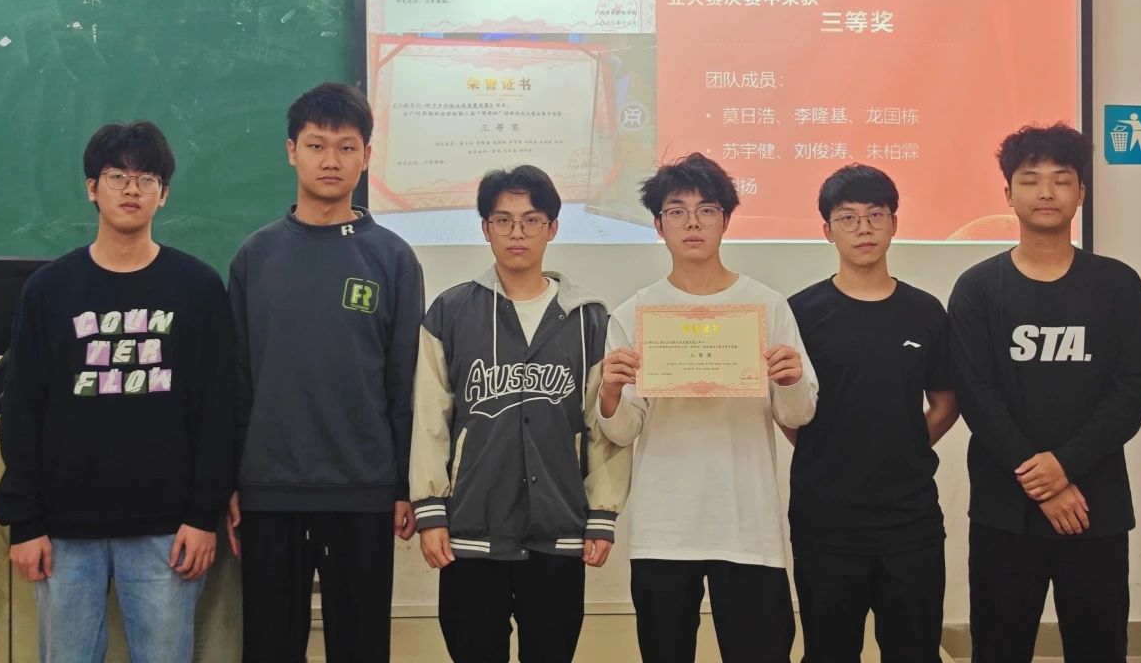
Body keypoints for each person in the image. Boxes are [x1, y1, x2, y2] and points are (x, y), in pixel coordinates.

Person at [0, 121, 234, 663]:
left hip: (166, 529)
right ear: (92, 187)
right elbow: (23, 411)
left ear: (163, 194)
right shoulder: (49, 290)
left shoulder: (197, 288)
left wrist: (203, 515)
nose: (132, 189)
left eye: (146, 179)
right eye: (117, 176)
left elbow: (217, 409)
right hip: (62, 531)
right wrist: (24, 522)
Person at [227, 82, 424, 662]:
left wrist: (404, 486)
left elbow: (404, 382)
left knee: (361, 647)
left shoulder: (392, 258)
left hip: (362, 488)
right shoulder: (255, 256)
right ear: (292, 151)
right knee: (269, 648)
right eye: (316, 145)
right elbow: (235, 380)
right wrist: (230, 482)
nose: (330, 160)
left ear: (367, 156)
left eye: (346, 147)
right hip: (269, 489)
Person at [949, 123, 1141, 662]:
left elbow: (1131, 391)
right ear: (1008, 194)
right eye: (1030, 179)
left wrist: (1064, 466)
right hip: (1004, 509)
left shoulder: (1119, 286)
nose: (1046, 191)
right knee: (999, 648)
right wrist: (1042, 481)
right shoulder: (977, 289)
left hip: (1094, 507)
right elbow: (976, 394)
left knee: (1099, 648)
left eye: (1061, 179)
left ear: (1080, 193)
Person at [598, 152, 818, 663]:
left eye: (707, 210)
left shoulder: (766, 305)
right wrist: (609, 393)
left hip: (747, 522)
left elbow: (797, 415)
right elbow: (624, 430)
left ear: (726, 220)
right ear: (659, 226)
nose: (692, 223)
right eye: (677, 211)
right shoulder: (635, 312)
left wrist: (790, 380)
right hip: (664, 527)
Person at [409, 165, 631, 662]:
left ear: (553, 228)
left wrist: (602, 513)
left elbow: (601, 426)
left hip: (559, 530)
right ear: (485, 228)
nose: (517, 232)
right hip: (470, 530)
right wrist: (430, 510)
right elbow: (429, 419)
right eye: (503, 220)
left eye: (531, 220)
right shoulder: (451, 312)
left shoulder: (589, 319)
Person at [785, 164, 958, 662]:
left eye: (875, 215)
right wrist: (828, 446)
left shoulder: (925, 311)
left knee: (914, 650)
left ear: (894, 223)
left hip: (910, 518)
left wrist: (903, 443)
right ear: (827, 230)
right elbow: (786, 409)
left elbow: (946, 402)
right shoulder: (801, 312)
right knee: (829, 651)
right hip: (825, 520)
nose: (863, 228)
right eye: (848, 217)